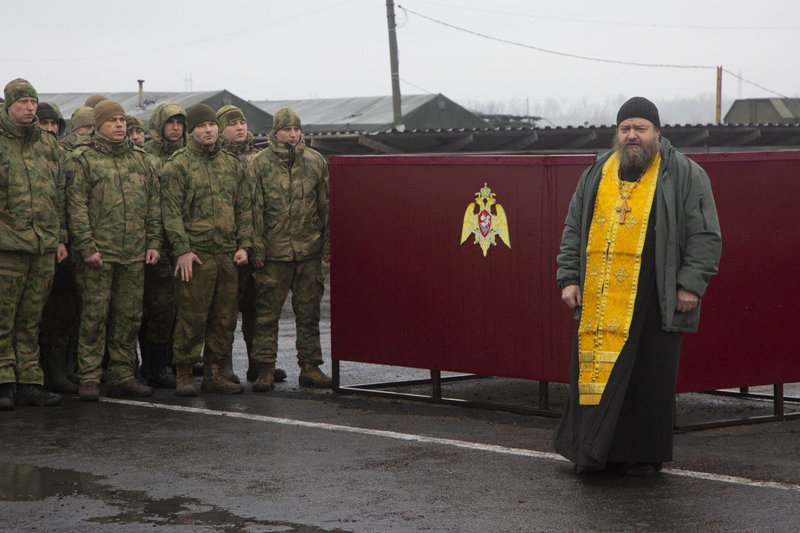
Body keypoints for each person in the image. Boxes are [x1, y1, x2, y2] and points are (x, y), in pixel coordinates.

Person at [554, 97, 722, 476]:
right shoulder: (596, 173)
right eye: (625, 128)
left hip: (655, 296)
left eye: (640, 128)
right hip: (599, 303)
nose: (632, 135)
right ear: (617, 134)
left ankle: (641, 460)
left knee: (647, 380)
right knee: (598, 377)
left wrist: (690, 286)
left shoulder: (684, 174)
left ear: (657, 133)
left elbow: (705, 236)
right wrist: (568, 277)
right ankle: (592, 454)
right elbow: (573, 229)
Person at [66, 100, 163, 401]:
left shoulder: (141, 160)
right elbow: (76, 206)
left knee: (129, 317)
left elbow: (153, 206)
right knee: (94, 316)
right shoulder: (83, 159)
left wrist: (153, 243)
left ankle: (123, 375)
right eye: (113, 121)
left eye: (122, 119)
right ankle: (90, 377)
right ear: (99, 125)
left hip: (133, 253)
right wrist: (86, 246)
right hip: (99, 254)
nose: (120, 125)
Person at [160, 104, 253, 396]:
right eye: (202, 126)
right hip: (196, 255)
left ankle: (215, 373)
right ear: (191, 131)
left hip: (227, 253)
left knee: (224, 318)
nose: (209, 130)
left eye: (212, 125)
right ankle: (185, 373)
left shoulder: (232, 164)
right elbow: (170, 212)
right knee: (191, 316)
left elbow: (244, 207)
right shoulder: (178, 166)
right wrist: (182, 250)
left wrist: (245, 245)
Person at [249, 109, 331, 391]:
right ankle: (265, 369)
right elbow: (254, 210)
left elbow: (326, 206)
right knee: (266, 315)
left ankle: (310, 367)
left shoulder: (316, 162)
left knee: (309, 312)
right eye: (287, 130)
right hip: (274, 253)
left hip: (308, 250)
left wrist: (327, 244)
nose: (293, 135)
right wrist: (256, 248)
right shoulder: (260, 164)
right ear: (276, 132)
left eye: (297, 129)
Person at [0, 78, 68, 409]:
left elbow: (61, 193)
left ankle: (29, 380)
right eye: (23, 102)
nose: (29, 108)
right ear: (8, 105)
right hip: (7, 247)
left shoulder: (47, 144)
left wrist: (59, 237)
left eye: (33, 102)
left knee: (31, 318)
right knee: (3, 316)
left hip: (42, 246)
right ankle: (3, 381)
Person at [217, 104, 287, 386]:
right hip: (227, 246)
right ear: (221, 128)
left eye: (242, 123)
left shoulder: (260, 158)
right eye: (232, 123)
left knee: (257, 309)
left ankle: (258, 365)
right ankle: (223, 367)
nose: (240, 127)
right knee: (225, 311)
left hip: (259, 246)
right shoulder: (216, 159)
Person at [140, 103, 188, 388]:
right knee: (157, 307)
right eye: (170, 122)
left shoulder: (186, 158)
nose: (176, 128)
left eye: (180, 123)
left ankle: (170, 363)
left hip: (182, 243)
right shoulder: (147, 159)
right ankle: (154, 367)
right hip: (157, 245)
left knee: (178, 308)